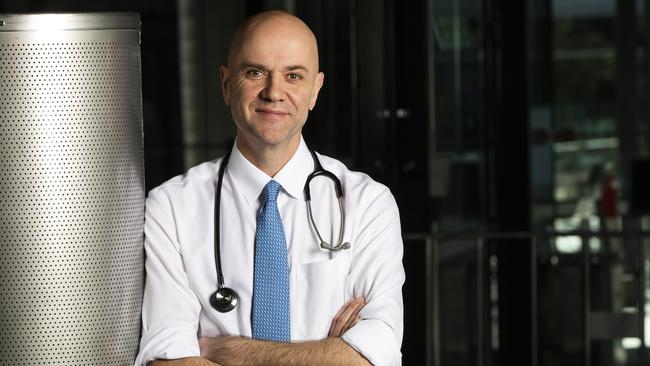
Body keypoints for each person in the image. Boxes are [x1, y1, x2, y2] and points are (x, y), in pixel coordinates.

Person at [135, 10, 405, 366]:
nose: (274, 92)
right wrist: (325, 352)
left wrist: (222, 349)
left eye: (294, 75)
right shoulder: (170, 208)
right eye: (255, 72)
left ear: (315, 91)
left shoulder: (367, 204)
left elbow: (373, 357)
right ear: (226, 84)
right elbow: (168, 359)